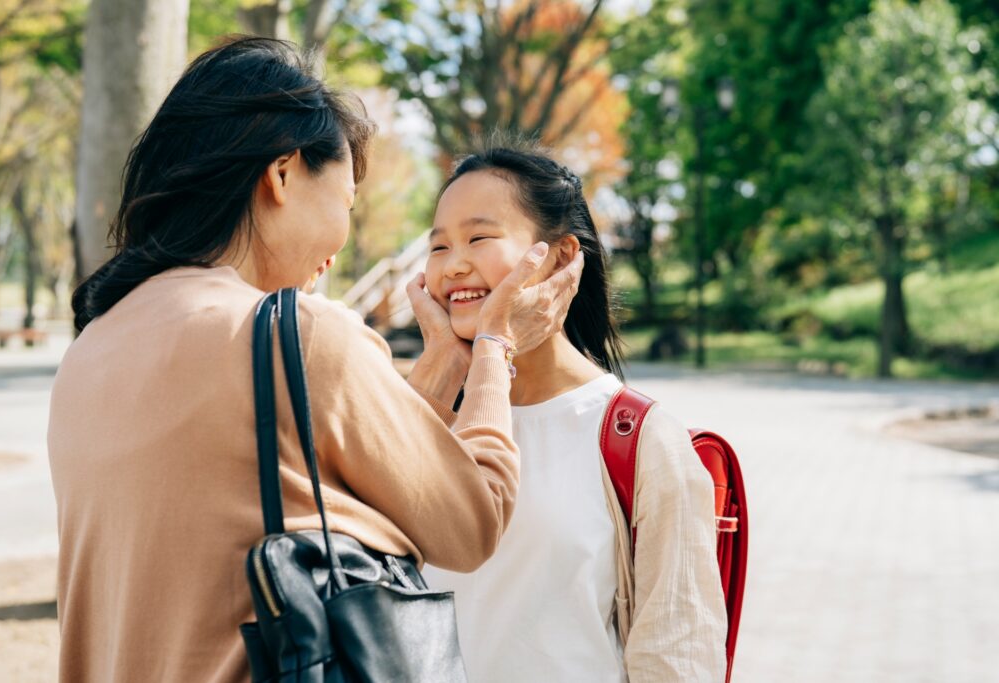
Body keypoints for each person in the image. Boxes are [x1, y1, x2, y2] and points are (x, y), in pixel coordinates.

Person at [47, 38, 583, 683]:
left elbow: (301, 475)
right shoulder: (297, 336)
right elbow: (473, 521)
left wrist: (434, 381)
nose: (340, 245)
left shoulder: (91, 348)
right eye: (348, 202)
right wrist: (498, 345)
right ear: (283, 174)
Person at [419, 140, 728, 682]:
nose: (454, 265)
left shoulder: (641, 440)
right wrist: (439, 372)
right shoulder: (423, 418)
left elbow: (677, 658)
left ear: (561, 257)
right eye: (438, 247)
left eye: (479, 238)